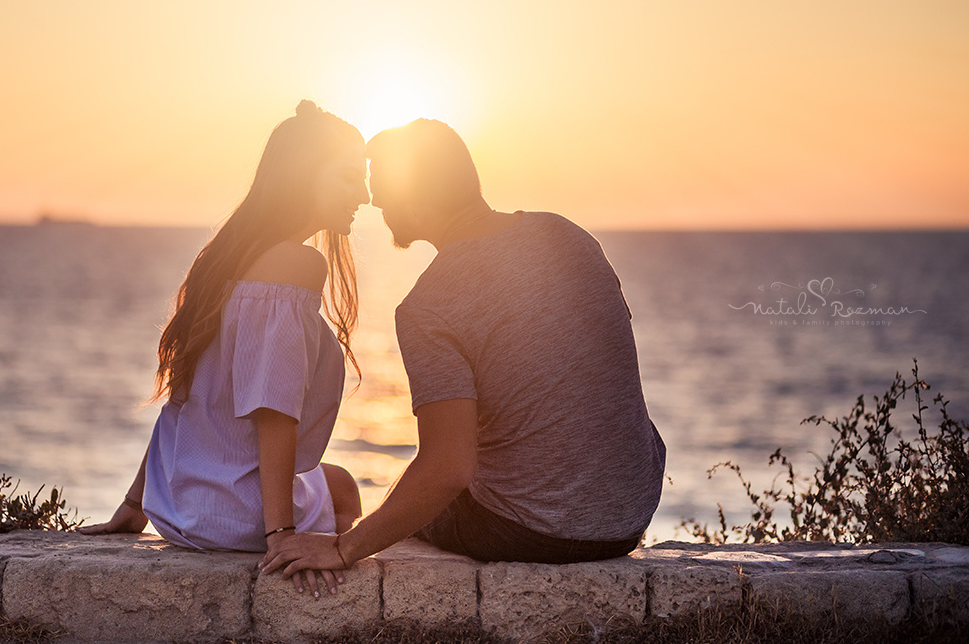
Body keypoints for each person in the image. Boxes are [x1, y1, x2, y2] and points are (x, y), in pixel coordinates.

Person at [260, 118, 665, 577]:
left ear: (416, 196)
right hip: (630, 515)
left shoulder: (429, 305)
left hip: (535, 530)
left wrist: (343, 548)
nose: (374, 201)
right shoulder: (570, 236)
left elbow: (449, 466)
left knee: (406, 506)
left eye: (384, 188)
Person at [82, 100, 368, 598]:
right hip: (238, 516)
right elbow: (274, 409)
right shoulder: (295, 266)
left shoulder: (221, 262)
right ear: (306, 177)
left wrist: (134, 507)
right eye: (348, 178)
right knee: (343, 487)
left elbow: (183, 399)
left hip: (177, 505)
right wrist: (280, 536)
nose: (363, 195)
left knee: (328, 479)